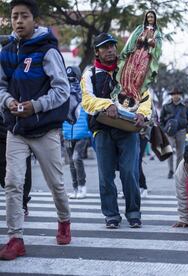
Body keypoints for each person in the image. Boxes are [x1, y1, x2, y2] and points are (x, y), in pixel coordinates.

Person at [0, 0, 72, 260]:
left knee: (56, 184)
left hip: (45, 129)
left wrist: (37, 106)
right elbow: (1, 86)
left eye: (24, 16)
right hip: (16, 130)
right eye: (14, 16)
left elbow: (62, 90)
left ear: (34, 20)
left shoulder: (47, 51)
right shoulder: (6, 51)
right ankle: (15, 238)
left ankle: (64, 221)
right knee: (12, 183)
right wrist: (8, 102)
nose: (18, 21)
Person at [81, 32, 151, 229]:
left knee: (130, 173)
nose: (110, 50)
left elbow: (145, 97)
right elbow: (86, 100)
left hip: (128, 129)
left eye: (112, 46)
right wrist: (105, 105)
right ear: (97, 52)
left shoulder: (129, 71)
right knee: (106, 176)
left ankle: (134, 213)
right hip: (102, 131)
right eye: (105, 47)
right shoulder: (90, 74)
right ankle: (111, 215)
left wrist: (143, 115)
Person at [115, 10, 162, 111]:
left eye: (152, 17)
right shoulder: (140, 29)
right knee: (129, 71)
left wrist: (152, 42)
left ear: (155, 19)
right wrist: (140, 39)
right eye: (148, 17)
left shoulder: (157, 33)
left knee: (140, 73)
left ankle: (134, 93)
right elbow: (133, 40)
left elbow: (158, 47)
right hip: (135, 53)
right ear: (146, 18)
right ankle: (125, 90)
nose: (150, 19)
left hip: (146, 55)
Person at [62, 66, 91, 199]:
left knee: (76, 158)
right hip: (67, 132)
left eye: (73, 78)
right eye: (68, 78)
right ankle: (75, 188)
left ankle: (82, 187)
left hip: (82, 132)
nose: (70, 81)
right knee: (71, 163)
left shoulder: (85, 91)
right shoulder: (63, 93)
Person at [160, 88, 188, 179]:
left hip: (181, 131)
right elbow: (161, 120)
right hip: (169, 132)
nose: (176, 95)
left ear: (179, 95)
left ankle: (178, 171)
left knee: (180, 153)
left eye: (177, 94)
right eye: (174, 94)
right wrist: (164, 130)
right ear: (171, 95)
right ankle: (170, 170)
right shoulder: (166, 106)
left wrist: (187, 129)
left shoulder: (185, 106)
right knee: (169, 151)